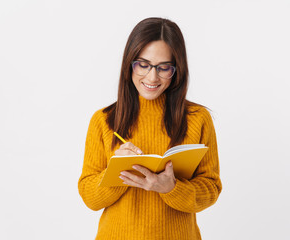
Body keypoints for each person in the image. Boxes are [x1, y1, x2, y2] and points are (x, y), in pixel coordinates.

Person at [78, 17, 222, 240]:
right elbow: (89, 197)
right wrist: (116, 173)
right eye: (143, 65)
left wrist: (172, 188)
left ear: (177, 69)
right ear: (129, 63)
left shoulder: (197, 119)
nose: (152, 77)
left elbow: (211, 189)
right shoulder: (104, 120)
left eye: (164, 68)